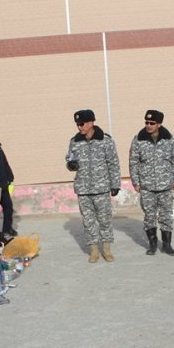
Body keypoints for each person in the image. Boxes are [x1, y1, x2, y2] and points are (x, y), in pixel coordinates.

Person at [66, 109, 121, 263]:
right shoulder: (74, 141)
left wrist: (115, 184)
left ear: (91, 122)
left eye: (82, 123)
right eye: (77, 124)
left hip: (101, 188)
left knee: (104, 220)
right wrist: (70, 164)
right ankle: (94, 250)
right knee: (88, 221)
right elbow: (69, 160)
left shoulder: (105, 140)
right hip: (83, 188)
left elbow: (113, 163)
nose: (79, 127)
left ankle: (106, 249)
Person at [129, 109, 174, 256]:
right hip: (147, 186)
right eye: (146, 122)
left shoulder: (168, 139)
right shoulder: (138, 139)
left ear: (159, 124)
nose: (148, 125)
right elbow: (133, 162)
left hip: (165, 185)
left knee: (166, 216)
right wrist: (135, 182)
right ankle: (152, 245)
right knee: (149, 217)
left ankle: (167, 245)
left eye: (152, 123)